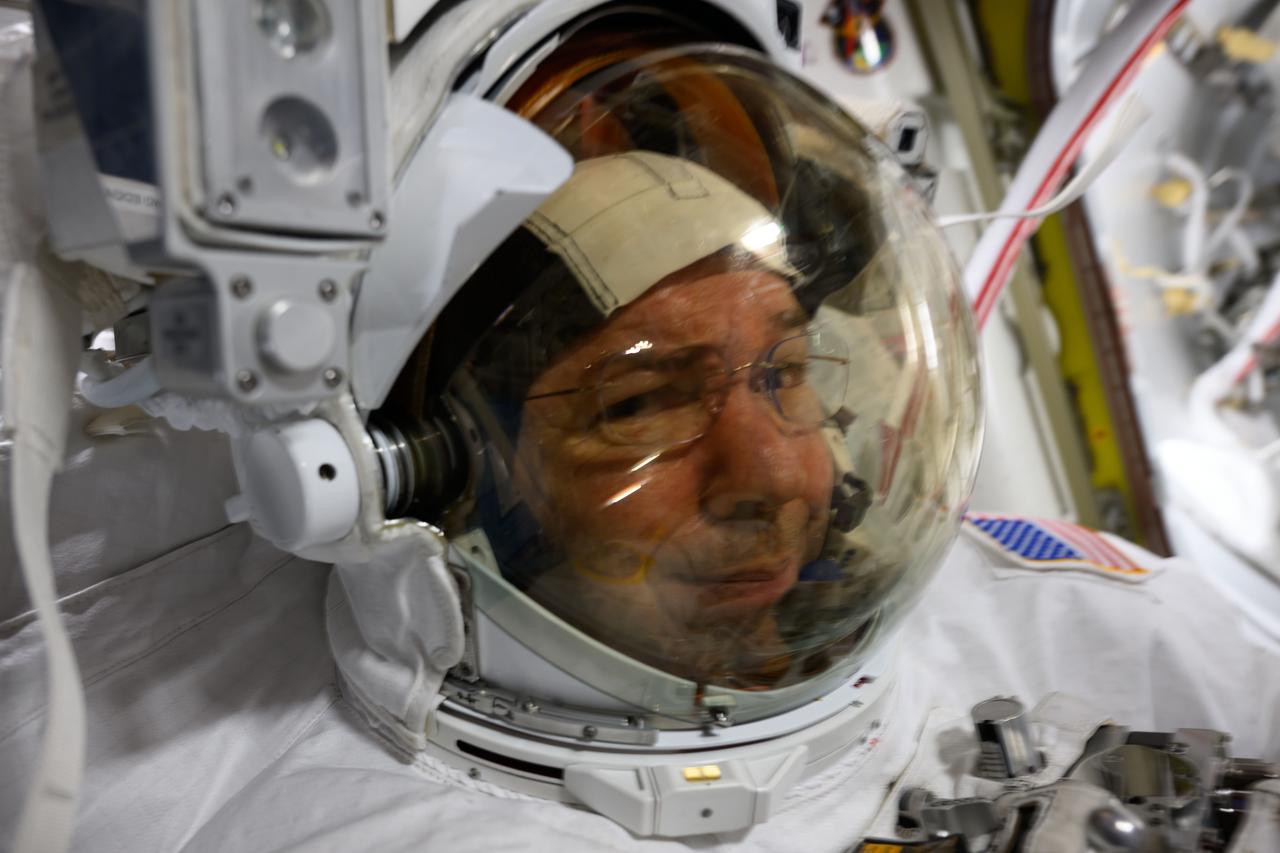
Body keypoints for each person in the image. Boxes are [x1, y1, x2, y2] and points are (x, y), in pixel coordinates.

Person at [2, 28, 1279, 853]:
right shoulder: (240, 801)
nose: (781, 473)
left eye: (782, 369)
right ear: (410, 470)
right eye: (640, 404)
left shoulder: (1078, 622)